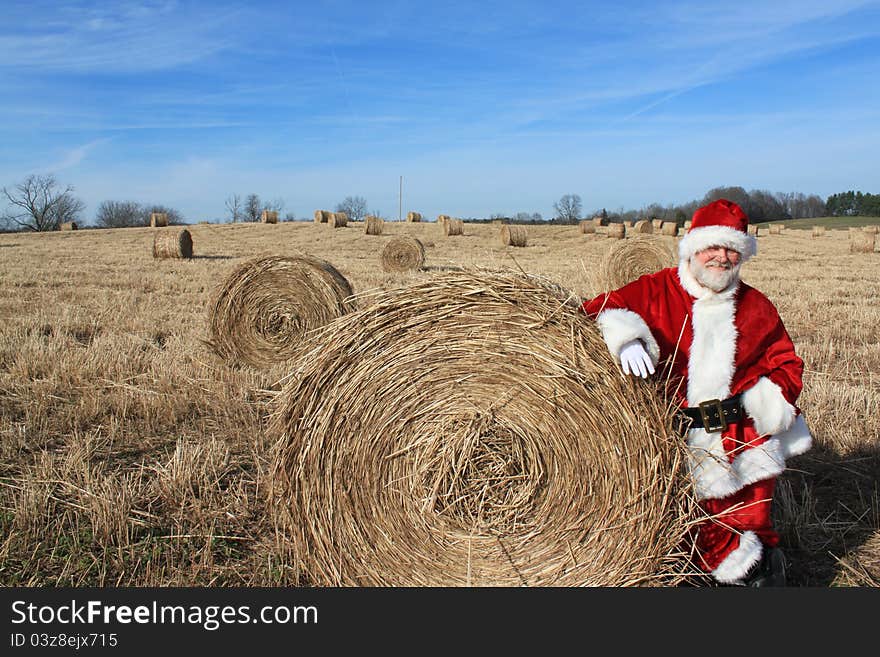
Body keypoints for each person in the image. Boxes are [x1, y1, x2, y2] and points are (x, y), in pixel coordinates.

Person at [581, 198, 813, 586]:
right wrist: (624, 338)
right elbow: (596, 309)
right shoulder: (654, 291)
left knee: (747, 524)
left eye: (732, 249)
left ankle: (761, 570)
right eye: (714, 246)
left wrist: (767, 401)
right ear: (692, 247)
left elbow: (786, 363)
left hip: (741, 435)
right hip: (668, 434)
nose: (722, 257)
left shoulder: (756, 307)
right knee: (676, 526)